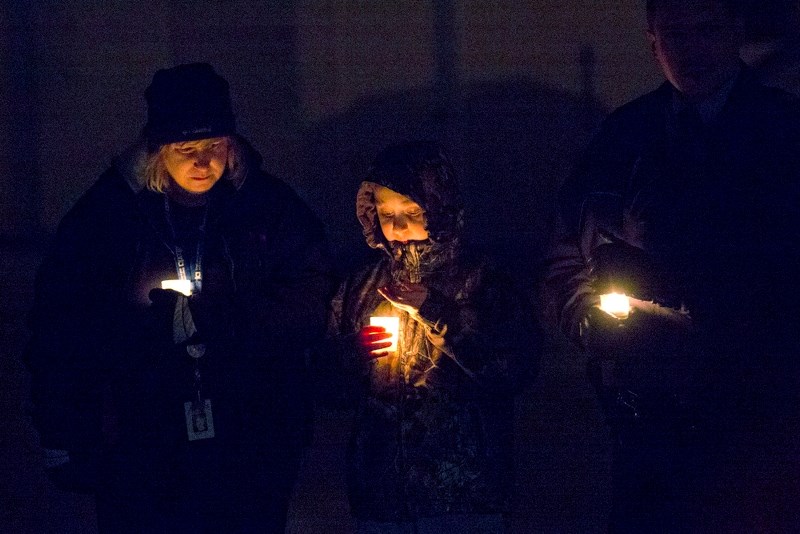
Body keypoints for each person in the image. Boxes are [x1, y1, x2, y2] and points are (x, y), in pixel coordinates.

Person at [25, 63, 332, 533]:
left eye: (213, 146)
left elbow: (311, 293)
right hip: (142, 438)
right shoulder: (110, 215)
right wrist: (63, 429)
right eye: (186, 149)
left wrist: (231, 320)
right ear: (158, 150)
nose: (202, 162)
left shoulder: (266, 207)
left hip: (250, 436)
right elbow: (60, 322)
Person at [546, 0, 800, 531]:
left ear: (735, 29)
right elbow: (566, 246)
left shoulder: (781, 134)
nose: (691, 50)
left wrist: (677, 292)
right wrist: (589, 322)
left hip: (753, 421)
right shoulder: (626, 136)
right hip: (645, 421)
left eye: (707, 31)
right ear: (652, 40)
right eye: (675, 35)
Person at [318, 141, 539, 534]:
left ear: (440, 209)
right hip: (382, 496)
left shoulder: (483, 280)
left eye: (413, 212)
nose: (398, 226)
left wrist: (442, 315)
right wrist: (352, 356)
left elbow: (514, 368)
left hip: (465, 493)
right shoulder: (362, 285)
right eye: (387, 213)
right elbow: (327, 385)